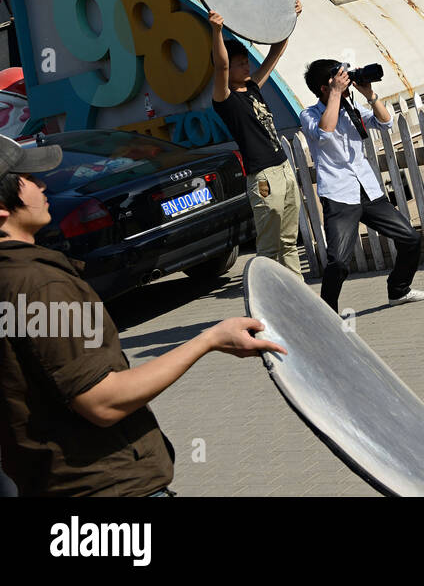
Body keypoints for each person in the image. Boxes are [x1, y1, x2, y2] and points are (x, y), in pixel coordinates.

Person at [0, 135, 285, 496]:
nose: (43, 184)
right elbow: (102, 401)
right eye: (28, 179)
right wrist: (209, 340)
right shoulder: (40, 284)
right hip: (108, 487)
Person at [300, 60, 424, 312]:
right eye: (338, 78)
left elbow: (385, 122)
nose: (345, 80)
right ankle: (327, 314)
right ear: (324, 87)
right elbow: (325, 132)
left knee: (410, 239)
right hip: (339, 195)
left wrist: (370, 95)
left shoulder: (352, 106)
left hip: (367, 189)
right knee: (338, 262)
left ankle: (398, 290)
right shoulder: (309, 114)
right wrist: (336, 93)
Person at [210, 1, 304, 279]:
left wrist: (290, 18)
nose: (245, 66)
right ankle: (266, 307)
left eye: (245, 61)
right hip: (263, 177)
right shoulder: (225, 99)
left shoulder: (252, 87)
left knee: (288, 242)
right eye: (239, 64)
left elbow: (275, 53)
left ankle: (299, 297)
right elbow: (221, 66)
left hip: (284, 169)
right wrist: (216, 32)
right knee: (268, 248)